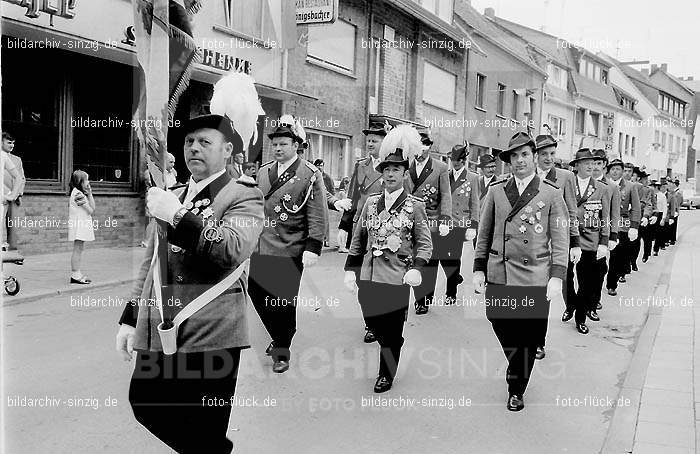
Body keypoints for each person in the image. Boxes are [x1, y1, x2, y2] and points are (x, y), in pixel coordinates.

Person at [115, 113, 265, 454]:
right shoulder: (174, 193)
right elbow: (152, 259)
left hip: (213, 329)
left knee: (203, 422)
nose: (193, 148)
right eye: (188, 141)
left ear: (227, 150)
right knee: (145, 404)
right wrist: (129, 317)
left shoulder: (244, 195)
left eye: (204, 142)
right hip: (163, 325)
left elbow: (232, 248)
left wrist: (179, 216)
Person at [473, 132, 568, 411]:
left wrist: (556, 276)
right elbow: (484, 232)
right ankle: (518, 362)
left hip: (534, 275)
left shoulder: (551, 193)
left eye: (524, 154)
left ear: (535, 157)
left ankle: (516, 388)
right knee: (498, 320)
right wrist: (479, 269)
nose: (519, 161)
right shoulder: (496, 190)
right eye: (514, 156)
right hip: (500, 272)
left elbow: (560, 238)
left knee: (526, 339)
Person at [344, 125, 432, 393]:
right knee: (373, 321)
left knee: (391, 330)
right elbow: (359, 237)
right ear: (381, 174)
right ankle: (392, 343)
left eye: (396, 170)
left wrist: (417, 268)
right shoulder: (371, 203)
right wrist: (350, 268)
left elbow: (425, 244)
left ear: (405, 174)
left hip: (396, 276)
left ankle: (386, 372)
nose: (390, 174)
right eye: (386, 169)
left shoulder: (414, 206)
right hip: (369, 275)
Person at [249, 119, 327, 373]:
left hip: (290, 247)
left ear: (296, 145)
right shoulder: (264, 171)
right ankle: (281, 333)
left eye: (284, 144)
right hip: (262, 245)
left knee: (283, 301)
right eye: (275, 144)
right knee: (257, 293)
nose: (278, 148)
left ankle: (282, 350)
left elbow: (317, 213)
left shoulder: (309, 174)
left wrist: (313, 246)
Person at [533, 134, 581, 360]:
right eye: (544, 154)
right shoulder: (526, 176)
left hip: (551, 245)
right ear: (535, 156)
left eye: (552, 153)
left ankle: (538, 342)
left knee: (543, 295)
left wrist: (575, 242)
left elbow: (571, 211)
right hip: (526, 244)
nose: (549, 158)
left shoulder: (565, 177)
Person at [561, 149, 610, 334]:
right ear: (577, 166)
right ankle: (571, 304)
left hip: (590, 241)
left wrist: (604, 242)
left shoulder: (601, 188)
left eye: (593, 163)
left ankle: (580, 318)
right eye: (586, 162)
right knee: (565, 277)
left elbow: (604, 217)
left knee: (586, 281)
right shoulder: (567, 184)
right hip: (567, 239)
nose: (591, 166)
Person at [404, 131, 452, 315]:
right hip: (409, 218)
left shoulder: (440, 167)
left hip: (430, 220)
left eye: (425, 145)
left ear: (430, 147)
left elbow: (446, 195)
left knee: (429, 261)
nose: (421, 150)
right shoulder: (406, 166)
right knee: (412, 258)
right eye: (418, 145)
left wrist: (445, 219)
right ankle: (418, 296)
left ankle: (425, 298)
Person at [340, 120, 387, 255]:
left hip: (382, 223)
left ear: (384, 143)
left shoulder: (390, 167)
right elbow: (352, 197)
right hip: (360, 222)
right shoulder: (360, 165)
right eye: (368, 141)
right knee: (356, 262)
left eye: (374, 141)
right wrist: (344, 226)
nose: (370, 144)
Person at [441, 142, 479, 305]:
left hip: (461, 223)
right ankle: (456, 276)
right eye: (453, 159)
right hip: (445, 222)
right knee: (442, 255)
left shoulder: (472, 178)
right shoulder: (445, 176)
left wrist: (473, 225)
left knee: (455, 257)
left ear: (464, 160)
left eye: (458, 160)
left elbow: (475, 202)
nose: (455, 163)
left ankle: (451, 294)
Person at [589, 149, 619, 317]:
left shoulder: (611, 187)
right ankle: (578, 303)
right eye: (592, 163)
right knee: (582, 272)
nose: (595, 167)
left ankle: (594, 302)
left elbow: (614, 214)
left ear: (605, 166)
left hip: (602, 235)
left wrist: (613, 236)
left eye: (599, 163)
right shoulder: (581, 183)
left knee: (600, 269)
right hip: (583, 235)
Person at [605, 159, 640, 296]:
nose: (615, 171)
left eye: (618, 169)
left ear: (622, 171)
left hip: (621, 225)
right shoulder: (603, 184)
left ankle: (611, 284)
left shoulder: (630, 186)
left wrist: (634, 226)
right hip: (603, 223)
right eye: (612, 169)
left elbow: (636, 208)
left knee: (617, 256)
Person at [68, 170, 96, 284]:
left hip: (81, 225)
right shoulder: (78, 194)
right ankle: (75, 274)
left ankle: (76, 273)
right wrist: (89, 195)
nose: (88, 182)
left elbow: (92, 208)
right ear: (80, 182)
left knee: (79, 249)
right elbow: (91, 210)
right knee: (78, 249)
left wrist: (89, 194)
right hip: (79, 226)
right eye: (86, 179)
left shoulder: (79, 193)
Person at [2, 132, 24, 251]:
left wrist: (18, 193)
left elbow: (21, 178)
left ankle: (13, 251)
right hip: (2, 195)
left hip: (14, 196)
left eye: (13, 143)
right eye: (9, 142)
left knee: (12, 225)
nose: (12, 145)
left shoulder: (17, 160)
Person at [315, 158, 335, 247]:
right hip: (315, 202)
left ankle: (326, 240)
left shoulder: (328, 178)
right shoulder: (313, 176)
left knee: (325, 221)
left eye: (321, 165)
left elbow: (332, 191)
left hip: (325, 202)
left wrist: (331, 201)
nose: (319, 167)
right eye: (318, 165)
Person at [652, 178, 669, 255]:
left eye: (654, 186)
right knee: (650, 233)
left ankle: (656, 249)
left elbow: (665, 208)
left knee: (658, 233)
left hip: (659, 214)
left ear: (656, 187)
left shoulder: (662, 196)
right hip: (651, 214)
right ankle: (648, 250)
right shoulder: (650, 195)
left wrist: (663, 218)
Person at [668, 179, 682, 245]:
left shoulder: (678, 192)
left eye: (672, 183)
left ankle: (672, 239)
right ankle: (670, 238)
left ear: (674, 184)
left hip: (675, 210)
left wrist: (677, 208)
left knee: (673, 225)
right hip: (672, 209)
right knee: (670, 225)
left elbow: (680, 201)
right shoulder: (671, 191)